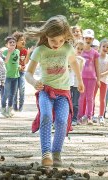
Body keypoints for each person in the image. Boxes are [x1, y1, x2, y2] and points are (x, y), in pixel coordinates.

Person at [25, 15, 84, 167]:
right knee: (45, 116)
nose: (57, 44)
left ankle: (56, 152)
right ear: (46, 36)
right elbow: (28, 73)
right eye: (53, 40)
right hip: (46, 91)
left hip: (63, 92)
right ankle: (46, 153)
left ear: (65, 38)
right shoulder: (40, 50)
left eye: (61, 40)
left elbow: (74, 63)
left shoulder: (68, 48)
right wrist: (33, 82)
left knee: (62, 121)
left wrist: (80, 80)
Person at [77, 29, 100, 125]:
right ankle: (79, 117)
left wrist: (98, 79)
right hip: (81, 78)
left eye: (90, 38)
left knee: (90, 98)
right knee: (81, 98)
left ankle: (89, 117)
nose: (88, 40)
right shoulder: (79, 51)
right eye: (86, 38)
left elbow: (97, 67)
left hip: (92, 78)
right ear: (83, 38)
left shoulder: (95, 53)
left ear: (93, 39)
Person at [12, 31, 34, 112]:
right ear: (16, 42)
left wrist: (28, 53)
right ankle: (14, 106)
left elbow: (25, 62)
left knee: (22, 88)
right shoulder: (12, 51)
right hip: (14, 73)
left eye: (24, 40)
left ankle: (20, 107)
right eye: (21, 40)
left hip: (21, 73)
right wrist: (17, 66)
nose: (23, 41)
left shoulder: (24, 51)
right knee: (14, 90)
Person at [93, 39, 108, 125]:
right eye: (103, 46)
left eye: (107, 47)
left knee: (102, 99)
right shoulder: (96, 56)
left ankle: (101, 116)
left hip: (104, 80)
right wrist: (97, 76)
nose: (105, 48)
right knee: (92, 97)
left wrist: (101, 74)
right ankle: (92, 114)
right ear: (100, 47)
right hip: (95, 80)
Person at [0, 36, 20, 118]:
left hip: (16, 76)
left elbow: (16, 61)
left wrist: (18, 66)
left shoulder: (18, 51)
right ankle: (3, 108)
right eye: (10, 42)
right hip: (7, 76)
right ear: (6, 44)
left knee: (13, 94)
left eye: (13, 42)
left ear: (16, 44)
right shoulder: (5, 52)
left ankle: (9, 109)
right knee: (6, 94)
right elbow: (6, 61)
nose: (12, 44)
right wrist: (9, 52)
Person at [70, 40, 85, 126]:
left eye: (81, 49)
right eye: (78, 48)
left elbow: (79, 71)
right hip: (69, 82)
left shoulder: (82, 60)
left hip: (77, 83)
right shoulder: (70, 57)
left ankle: (74, 119)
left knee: (75, 102)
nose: (79, 50)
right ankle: (67, 118)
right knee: (68, 100)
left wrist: (79, 61)